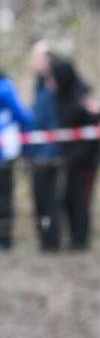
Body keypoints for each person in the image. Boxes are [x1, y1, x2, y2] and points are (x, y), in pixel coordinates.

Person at [50, 56, 100, 250]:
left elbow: (93, 133)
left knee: (81, 201)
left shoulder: (82, 98)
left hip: (87, 161)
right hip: (70, 160)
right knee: (68, 200)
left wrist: (80, 156)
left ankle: (81, 240)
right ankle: (74, 238)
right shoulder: (62, 97)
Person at [27, 41, 61, 252]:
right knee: (39, 201)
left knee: (49, 201)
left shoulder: (55, 87)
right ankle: (44, 241)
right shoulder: (40, 86)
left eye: (37, 57)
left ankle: (52, 241)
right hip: (35, 153)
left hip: (49, 155)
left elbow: (54, 123)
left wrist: (49, 153)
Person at [0, 63, 34, 249]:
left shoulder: (5, 89)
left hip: (5, 153)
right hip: (7, 151)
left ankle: (5, 238)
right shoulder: (6, 88)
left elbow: (23, 117)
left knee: (4, 197)